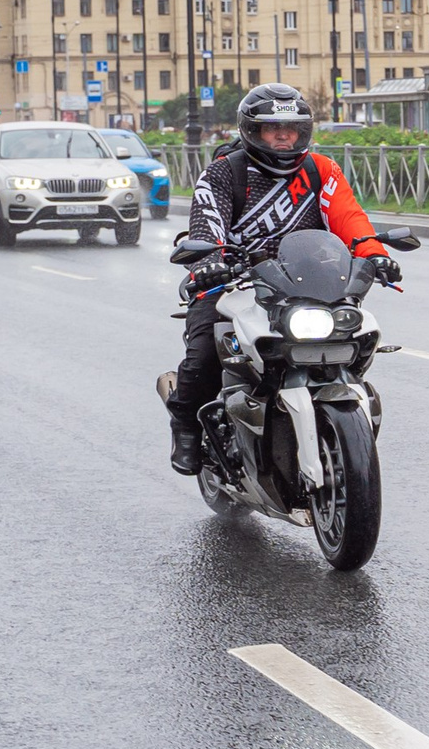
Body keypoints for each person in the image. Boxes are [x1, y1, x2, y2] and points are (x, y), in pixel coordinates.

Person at [162, 82, 394, 475]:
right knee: (204, 354)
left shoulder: (321, 170)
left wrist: (375, 256)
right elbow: (206, 225)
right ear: (251, 131)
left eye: (293, 128)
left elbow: (349, 219)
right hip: (235, 280)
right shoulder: (222, 174)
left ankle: (340, 415)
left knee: (355, 336)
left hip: (306, 280)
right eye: (272, 128)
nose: (284, 136)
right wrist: (209, 263)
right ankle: (185, 426)